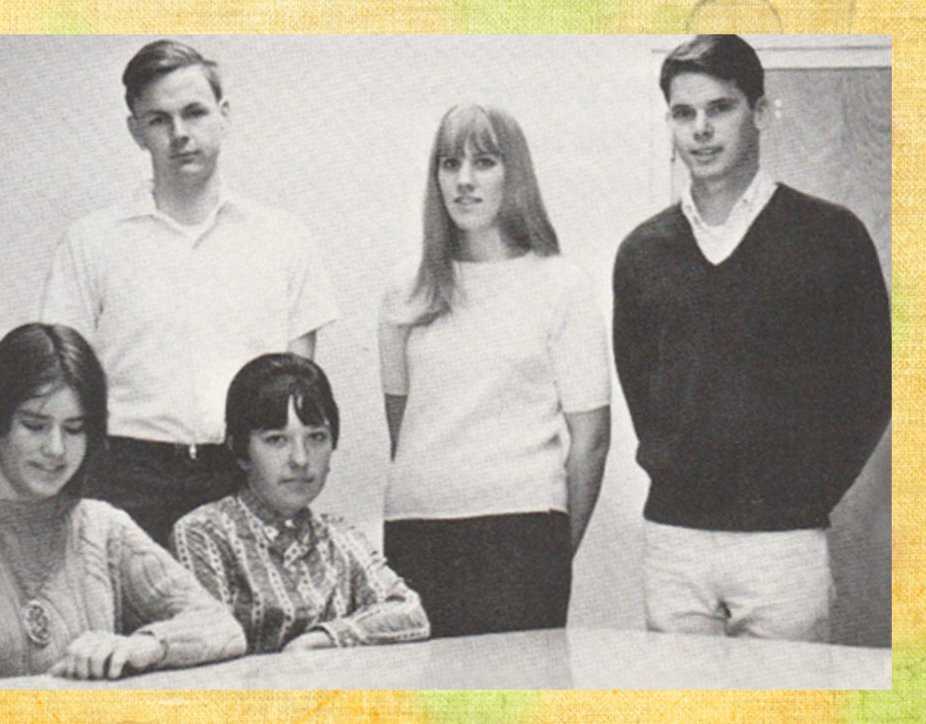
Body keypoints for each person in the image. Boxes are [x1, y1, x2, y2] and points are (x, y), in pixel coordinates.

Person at [613, 35, 891, 642]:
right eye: (684, 114)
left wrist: (802, 492)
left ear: (760, 114)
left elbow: (874, 386)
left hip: (783, 546)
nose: (701, 130)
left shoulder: (831, 237)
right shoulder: (642, 251)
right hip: (675, 542)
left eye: (721, 108)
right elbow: (642, 389)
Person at [39, 39, 339, 546]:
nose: (180, 135)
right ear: (136, 131)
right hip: (125, 482)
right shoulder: (91, 242)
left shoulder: (284, 237)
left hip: (245, 480)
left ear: (223, 116)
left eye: (195, 113)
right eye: (159, 120)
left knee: (242, 627)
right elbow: (64, 381)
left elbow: (296, 391)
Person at [377, 104, 611, 637]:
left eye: (484, 162)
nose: (463, 180)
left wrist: (551, 550)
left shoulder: (561, 286)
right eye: (448, 163)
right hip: (417, 529)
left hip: (524, 534)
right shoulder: (404, 288)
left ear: (515, 174)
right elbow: (404, 423)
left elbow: (592, 440)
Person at [0, 324, 246, 683]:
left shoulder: (101, 528)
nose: (55, 449)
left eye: (74, 429)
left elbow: (223, 628)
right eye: (35, 426)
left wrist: (144, 646)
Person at [172, 353, 429, 653]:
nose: (301, 459)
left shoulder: (339, 537)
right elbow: (211, 641)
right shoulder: (204, 533)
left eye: (316, 437)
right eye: (277, 440)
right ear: (240, 451)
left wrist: (322, 638)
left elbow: (410, 613)